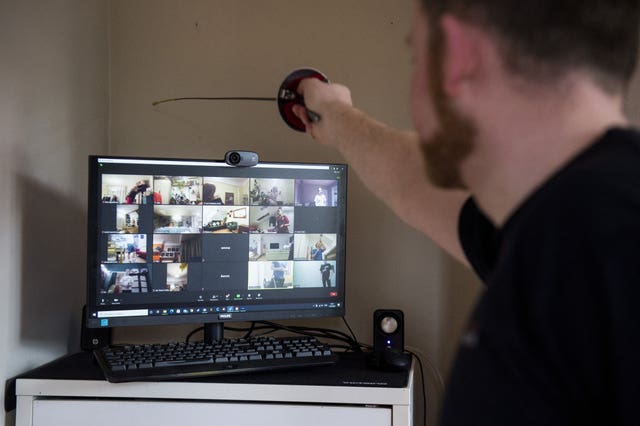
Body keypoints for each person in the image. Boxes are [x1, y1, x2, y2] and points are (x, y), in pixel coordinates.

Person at [292, 0, 640, 423]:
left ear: (457, 56)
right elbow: (412, 184)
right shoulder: (558, 229)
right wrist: (338, 118)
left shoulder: (597, 238)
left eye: (416, 56)